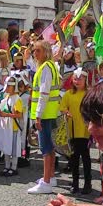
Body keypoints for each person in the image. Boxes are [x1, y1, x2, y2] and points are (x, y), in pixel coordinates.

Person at [27, 40, 61, 194]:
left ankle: (46, 182)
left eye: (38, 50)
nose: (35, 53)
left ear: (46, 51)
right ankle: (51, 177)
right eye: (34, 51)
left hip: (45, 114)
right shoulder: (51, 66)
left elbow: (44, 94)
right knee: (50, 147)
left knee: (45, 148)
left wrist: (38, 116)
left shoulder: (46, 68)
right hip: (51, 112)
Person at [61, 68, 92, 194]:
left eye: (80, 79)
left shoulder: (89, 93)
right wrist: (66, 112)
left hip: (85, 131)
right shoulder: (68, 94)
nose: (77, 81)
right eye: (75, 78)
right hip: (72, 130)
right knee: (74, 157)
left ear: (86, 80)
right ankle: (75, 183)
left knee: (85, 157)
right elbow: (62, 106)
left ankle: (88, 183)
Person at [0, 75, 24, 177]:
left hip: (14, 128)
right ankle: (7, 166)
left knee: (14, 149)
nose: (6, 88)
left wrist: (6, 114)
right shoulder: (6, 97)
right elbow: (1, 109)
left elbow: (19, 115)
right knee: (6, 147)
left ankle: (14, 167)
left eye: (9, 86)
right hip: (6, 127)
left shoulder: (17, 99)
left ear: (13, 87)